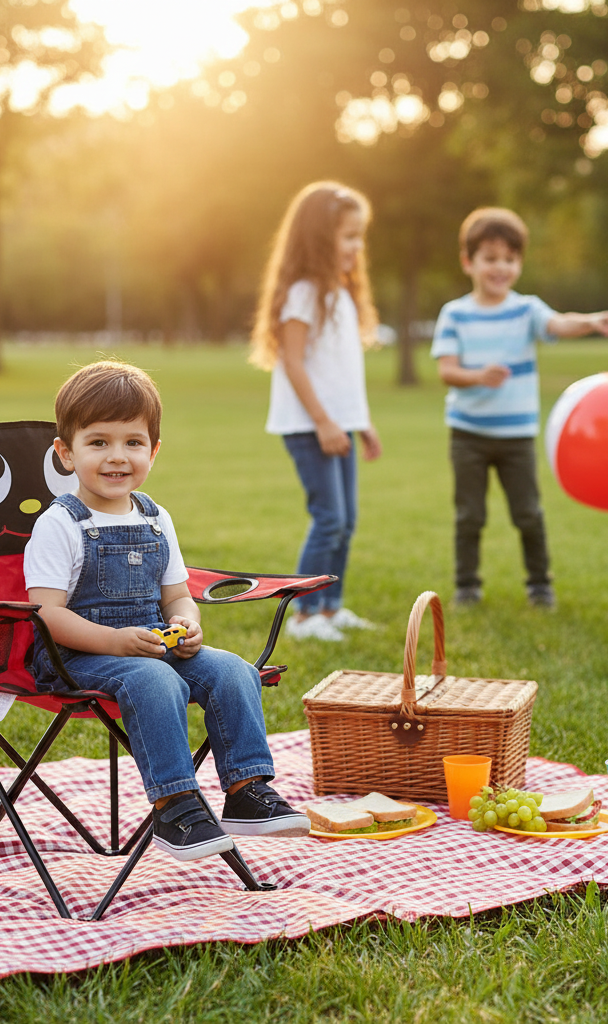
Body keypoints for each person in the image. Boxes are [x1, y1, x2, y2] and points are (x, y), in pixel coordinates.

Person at [24, 360, 310, 863]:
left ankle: (245, 789)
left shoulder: (156, 519)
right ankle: (176, 806)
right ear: (66, 454)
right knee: (158, 682)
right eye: (99, 443)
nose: (117, 457)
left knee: (232, 669)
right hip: (74, 655)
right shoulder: (60, 525)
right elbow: (46, 614)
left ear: (153, 451)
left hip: (152, 645)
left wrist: (187, 624)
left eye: (133, 443)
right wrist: (116, 642)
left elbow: (177, 595)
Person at [432, 207, 608, 609]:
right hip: (468, 434)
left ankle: (540, 585)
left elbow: (558, 324)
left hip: (516, 437)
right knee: (469, 516)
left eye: (509, 258)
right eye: (490, 258)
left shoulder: (526, 309)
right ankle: (467, 587)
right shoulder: (455, 314)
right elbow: (447, 371)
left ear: (519, 263)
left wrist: (589, 322)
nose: (500, 267)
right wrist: (477, 376)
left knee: (528, 513)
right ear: (468, 261)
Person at [249, 181, 382, 642]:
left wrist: (360, 423)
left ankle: (330, 607)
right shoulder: (305, 292)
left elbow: (341, 373)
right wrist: (324, 421)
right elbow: (293, 360)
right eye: (347, 236)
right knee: (329, 518)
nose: (356, 246)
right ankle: (304, 616)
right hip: (310, 426)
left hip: (337, 425)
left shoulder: (339, 293)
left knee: (346, 522)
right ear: (318, 239)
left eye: (358, 236)